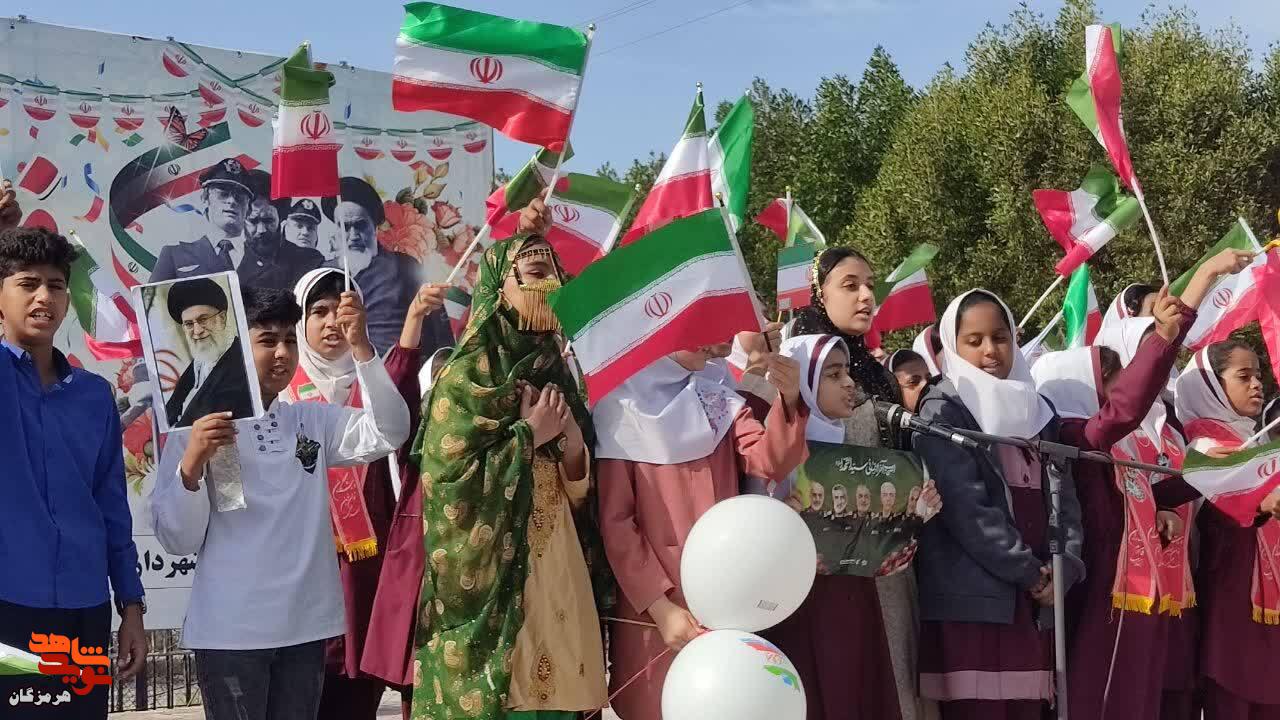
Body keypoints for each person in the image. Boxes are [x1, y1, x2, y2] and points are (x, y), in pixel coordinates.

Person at [151, 285, 411, 720]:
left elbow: (391, 430)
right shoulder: (195, 428)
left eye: (290, 340)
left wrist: (363, 349)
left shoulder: (308, 419)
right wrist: (192, 463)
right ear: (236, 346)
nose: (282, 353)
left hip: (305, 628)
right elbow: (178, 539)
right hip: (231, 634)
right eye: (267, 340)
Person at [412, 233, 613, 720]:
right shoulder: (464, 380)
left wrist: (570, 445)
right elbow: (447, 485)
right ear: (500, 287)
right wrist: (528, 435)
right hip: (493, 585)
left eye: (556, 275)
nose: (551, 286)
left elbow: (582, 491)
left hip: (558, 568)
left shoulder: (559, 372)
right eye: (537, 274)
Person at [595, 326, 808, 720]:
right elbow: (617, 523)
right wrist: (661, 608)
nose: (710, 340)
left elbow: (769, 460)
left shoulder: (716, 398)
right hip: (655, 613)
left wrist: (789, 399)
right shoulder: (619, 406)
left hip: (727, 598)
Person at [914, 289, 1085, 720]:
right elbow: (965, 507)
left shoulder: (1038, 411)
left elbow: (1065, 501)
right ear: (952, 346)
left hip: (1034, 602)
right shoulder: (942, 411)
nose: (990, 350)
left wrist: (1064, 566)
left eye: (1000, 337)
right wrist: (1028, 571)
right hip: (976, 604)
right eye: (974, 341)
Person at [282, 269, 445, 720]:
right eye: (318, 312)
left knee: (353, 696)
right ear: (300, 322)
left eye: (341, 311)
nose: (331, 322)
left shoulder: (369, 384)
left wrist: (411, 319)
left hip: (361, 568)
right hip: (301, 562)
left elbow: (400, 382)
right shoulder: (279, 394)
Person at [0, 226, 147, 720]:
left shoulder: (93, 395)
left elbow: (112, 509)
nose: (44, 296)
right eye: (27, 283)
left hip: (85, 607)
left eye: (56, 284)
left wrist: (131, 606)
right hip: (9, 604)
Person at [1031, 292, 1193, 720]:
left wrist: (1220, 473)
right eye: (1110, 385)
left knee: (1133, 693)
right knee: (1097, 693)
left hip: (1126, 583)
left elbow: (1158, 495)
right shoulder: (1075, 436)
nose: (1117, 396)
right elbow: (1127, 409)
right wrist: (1166, 336)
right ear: (1080, 385)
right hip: (1098, 584)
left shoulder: (1113, 445)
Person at [759, 332, 937, 720]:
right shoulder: (775, 454)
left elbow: (878, 538)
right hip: (804, 609)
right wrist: (782, 517)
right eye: (833, 375)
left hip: (855, 601)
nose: (849, 384)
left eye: (847, 372)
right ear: (804, 382)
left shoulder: (852, 453)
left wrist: (916, 509)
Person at [786, 246, 931, 720]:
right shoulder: (803, 372)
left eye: (870, 284)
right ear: (819, 293)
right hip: (832, 566)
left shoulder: (871, 371)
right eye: (850, 285)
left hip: (887, 553)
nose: (867, 295)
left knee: (894, 673)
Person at [1171, 341, 1280, 718]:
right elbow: (1219, 512)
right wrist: (1261, 502)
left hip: (1264, 600)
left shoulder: (1256, 440)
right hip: (1228, 599)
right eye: (1243, 376)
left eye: (1258, 375)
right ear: (1211, 387)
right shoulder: (1203, 445)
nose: (1257, 384)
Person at [322, 177, 426, 354]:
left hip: (392, 366)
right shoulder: (324, 274)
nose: (353, 236)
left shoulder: (404, 268)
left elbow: (433, 329)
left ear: (374, 227)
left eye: (360, 225)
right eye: (345, 227)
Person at [162, 277, 254, 428]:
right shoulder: (199, 362)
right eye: (189, 324)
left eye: (203, 319)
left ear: (222, 318)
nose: (197, 331)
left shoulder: (242, 363)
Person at [149, 158, 253, 282]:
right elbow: (153, 295)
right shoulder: (174, 256)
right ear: (205, 198)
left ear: (249, 208)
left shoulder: (267, 262)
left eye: (239, 197)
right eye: (223, 193)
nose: (232, 201)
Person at [239, 170, 324, 290]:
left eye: (269, 221)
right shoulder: (232, 261)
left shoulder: (309, 261)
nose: (261, 230)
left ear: (280, 218)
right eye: (253, 221)